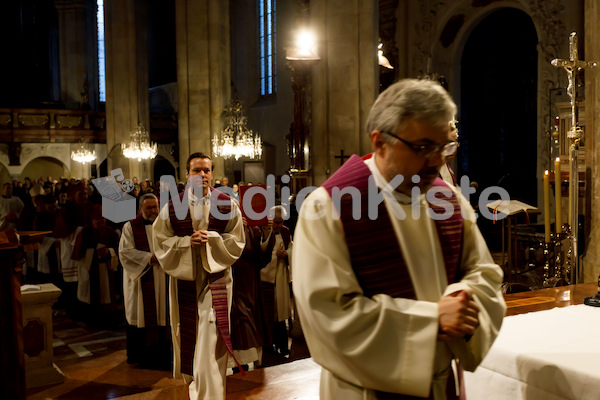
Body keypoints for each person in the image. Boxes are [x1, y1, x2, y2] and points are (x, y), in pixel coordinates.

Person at [292, 79, 506, 400]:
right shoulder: (329, 207)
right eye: (422, 148)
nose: (437, 161)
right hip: (364, 391)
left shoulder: (447, 200)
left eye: (443, 147)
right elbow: (328, 314)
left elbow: (484, 272)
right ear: (379, 142)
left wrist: (463, 298)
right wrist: (432, 320)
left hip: (440, 385)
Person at [153, 152, 245, 400]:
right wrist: (185, 242)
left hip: (216, 281)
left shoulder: (226, 204)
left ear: (212, 174)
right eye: (197, 170)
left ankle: (209, 395)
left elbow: (237, 241)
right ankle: (197, 388)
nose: (202, 175)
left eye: (206, 170)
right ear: (186, 174)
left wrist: (212, 239)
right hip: (185, 280)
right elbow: (160, 242)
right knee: (190, 337)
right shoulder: (172, 207)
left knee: (210, 339)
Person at [119, 193, 170, 368]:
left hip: (162, 278)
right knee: (141, 315)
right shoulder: (130, 227)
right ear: (140, 209)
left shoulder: (165, 225)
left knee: (162, 316)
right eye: (148, 207)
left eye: (155, 207)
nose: (153, 211)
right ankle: (140, 356)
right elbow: (125, 252)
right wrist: (149, 258)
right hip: (141, 279)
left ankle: (162, 356)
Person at [260, 205, 293, 356]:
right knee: (268, 314)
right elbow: (261, 251)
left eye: (281, 222)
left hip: (280, 277)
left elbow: (292, 248)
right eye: (276, 222)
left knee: (280, 314)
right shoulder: (264, 232)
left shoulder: (286, 232)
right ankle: (268, 345)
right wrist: (275, 256)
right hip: (266, 278)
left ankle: (283, 345)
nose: (278, 226)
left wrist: (286, 254)